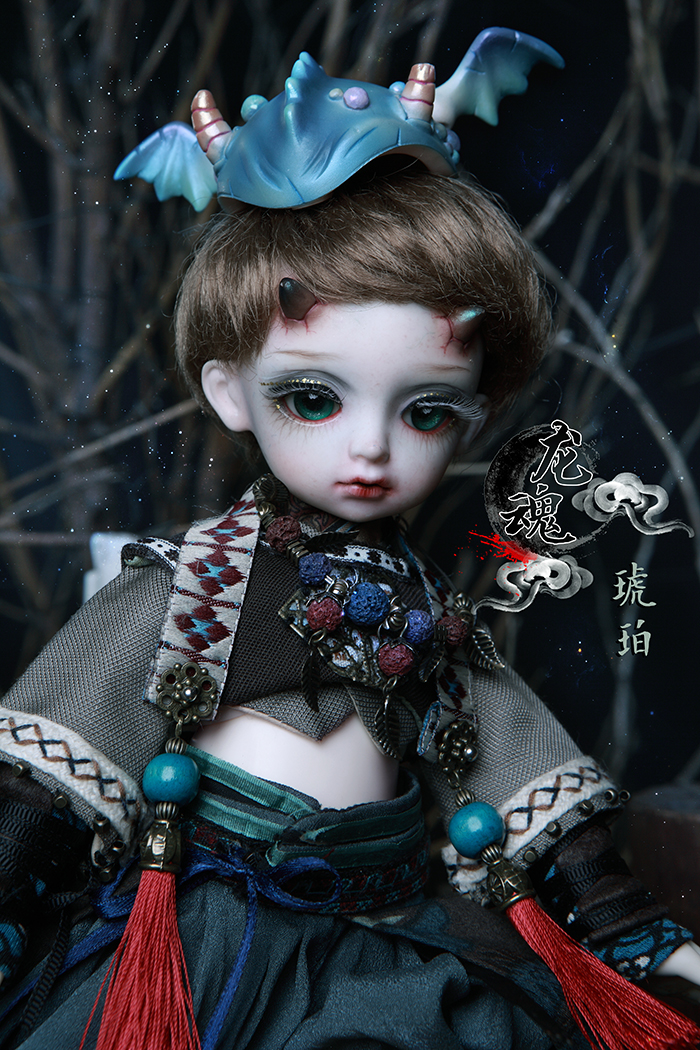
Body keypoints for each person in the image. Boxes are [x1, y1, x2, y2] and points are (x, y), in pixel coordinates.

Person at [0, 34, 698, 1050]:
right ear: (230, 391)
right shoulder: (187, 587)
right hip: (208, 941)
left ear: (474, 412)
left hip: (386, 933)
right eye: (314, 398)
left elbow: (519, 776)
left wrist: (631, 930)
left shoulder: (434, 620)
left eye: (426, 412)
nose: (370, 448)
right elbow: (47, 784)